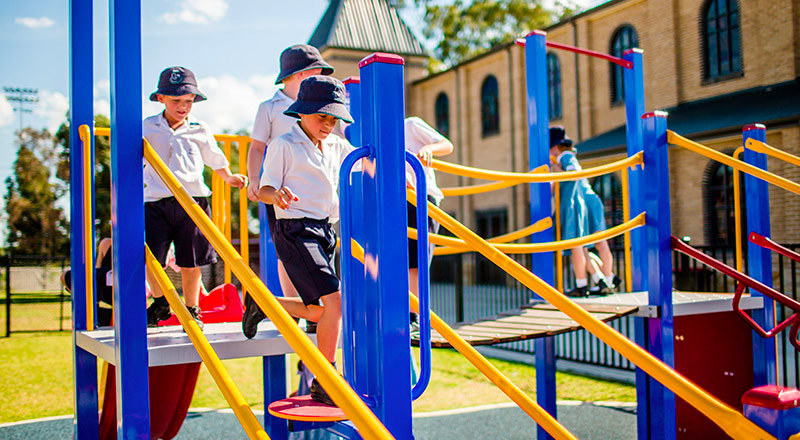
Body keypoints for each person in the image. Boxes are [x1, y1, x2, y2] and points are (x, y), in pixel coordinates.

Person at [257, 75, 355, 406]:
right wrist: (276, 195)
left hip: (326, 230)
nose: (327, 125)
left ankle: (262, 303)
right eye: (321, 116)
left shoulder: (336, 146)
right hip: (295, 229)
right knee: (335, 305)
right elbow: (264, 188)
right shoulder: (284, 144)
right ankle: (325, 379)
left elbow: (366, 162)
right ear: (301, 112)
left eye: (333, 119)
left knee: (320, 311)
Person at [143, 66, 247, 329]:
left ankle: (192, 309)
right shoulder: (148, 127)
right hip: (156, 200)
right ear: (161, 99)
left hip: (192, 201)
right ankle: (161, 302)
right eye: (176, 100)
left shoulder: (199, 128)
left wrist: (228, 177)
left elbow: (214, 157)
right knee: (151, 259)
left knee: (191, 262)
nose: (182, 107)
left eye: (188, 101)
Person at [242, 44, 335, 338]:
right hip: (282, 190)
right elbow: (257, 146)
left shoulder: (321, 105)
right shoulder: (270, 108)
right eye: (317, 72)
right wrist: (255, 180)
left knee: (320, 253)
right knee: (288, 253)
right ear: (300, 74)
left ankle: (311, 308)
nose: (321, 77)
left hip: (316, 196)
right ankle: (296, 308)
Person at [549, 126, 617, 297]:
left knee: (579, 246)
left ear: (555, 147)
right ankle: (605, 279)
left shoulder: (565, 157)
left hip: (576, 203)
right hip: (586, 200)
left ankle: (584, 283)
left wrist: (557, 172)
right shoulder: (566, 158)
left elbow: (573, 172)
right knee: (592, 245)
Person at [404, 117, 453, 326]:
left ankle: (414, 316)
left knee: (416, 262)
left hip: (421, 197)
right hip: (396, 200)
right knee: (400, 260)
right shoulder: (375, 136)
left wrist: (428, 149)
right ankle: (407, 313)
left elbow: (446, 145)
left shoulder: (410, 125)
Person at [62, 237, 114, 327]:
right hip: (113, 278)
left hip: (119, 281)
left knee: (65, 277)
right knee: (105, 243)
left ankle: (102, 315)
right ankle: (98, 311)